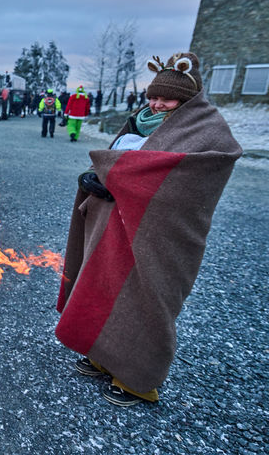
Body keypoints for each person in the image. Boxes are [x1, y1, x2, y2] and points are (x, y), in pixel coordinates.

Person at [55, 52, 242, 406]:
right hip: (113, 223)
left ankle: (138, 379)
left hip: (158, 233)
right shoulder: (141, 122)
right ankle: (101, 354)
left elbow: (187, 181)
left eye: (166, 99)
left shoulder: (207, 130)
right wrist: (96, 178)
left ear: (187, 99)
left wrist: (121, 182)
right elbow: (118, 160)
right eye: (153, 96)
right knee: (102, 285)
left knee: (144, 297)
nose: (156, 104)